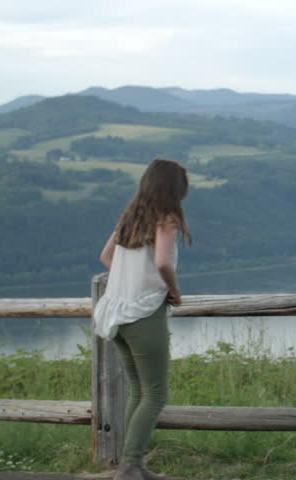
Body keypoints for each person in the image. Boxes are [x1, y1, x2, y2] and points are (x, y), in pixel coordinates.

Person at [93, 158, 191, 480]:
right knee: (156, 393)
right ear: (174, 188)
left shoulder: (131, 217)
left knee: (137, 390)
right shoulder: (166, 217)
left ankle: (131, 465)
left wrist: (128, 279)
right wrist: (173, 291)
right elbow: (163, 262)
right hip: (143, 313)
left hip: (116, 312)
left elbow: (106, 257)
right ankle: (131, 466)